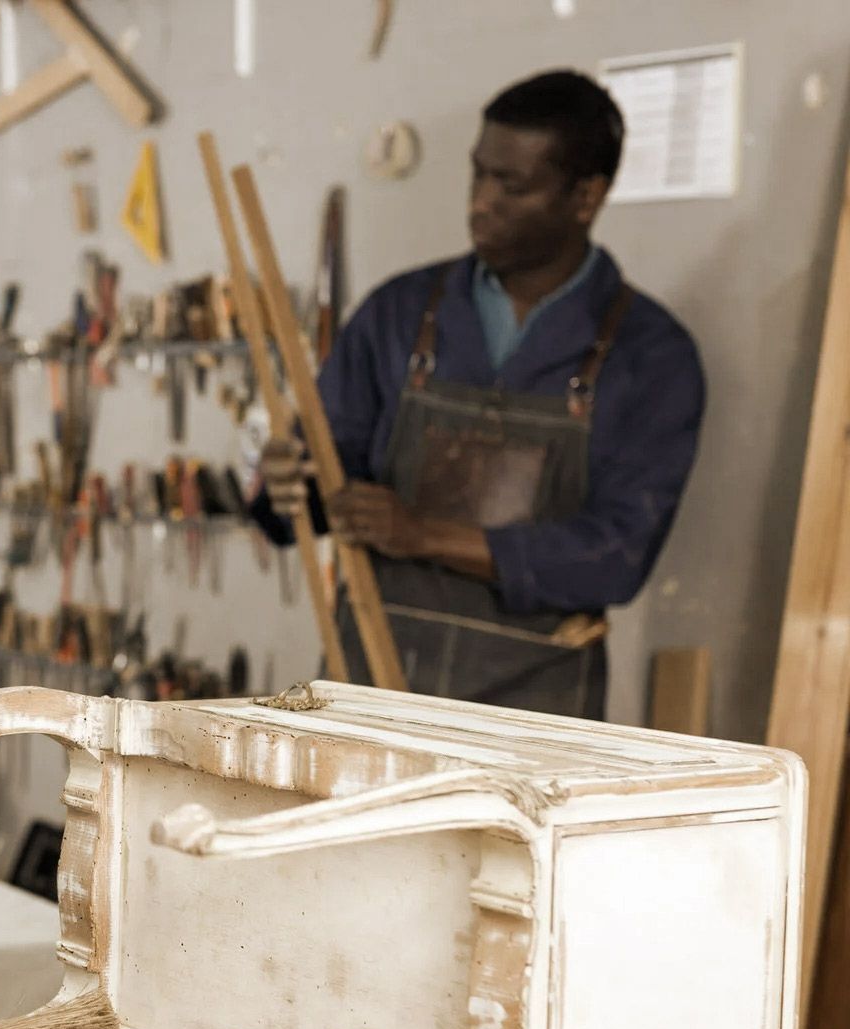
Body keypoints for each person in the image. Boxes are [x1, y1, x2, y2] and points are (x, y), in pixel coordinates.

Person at [261, 70, 704, 718]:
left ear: (587, 196)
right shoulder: (399, 313)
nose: (480, 202)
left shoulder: (652, 355)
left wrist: (424, 533)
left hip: (535, 715)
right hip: (373, 694)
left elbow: (617, 556)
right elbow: (320, 486)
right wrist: (284, 488)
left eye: (512, 185)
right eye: (478, 174)